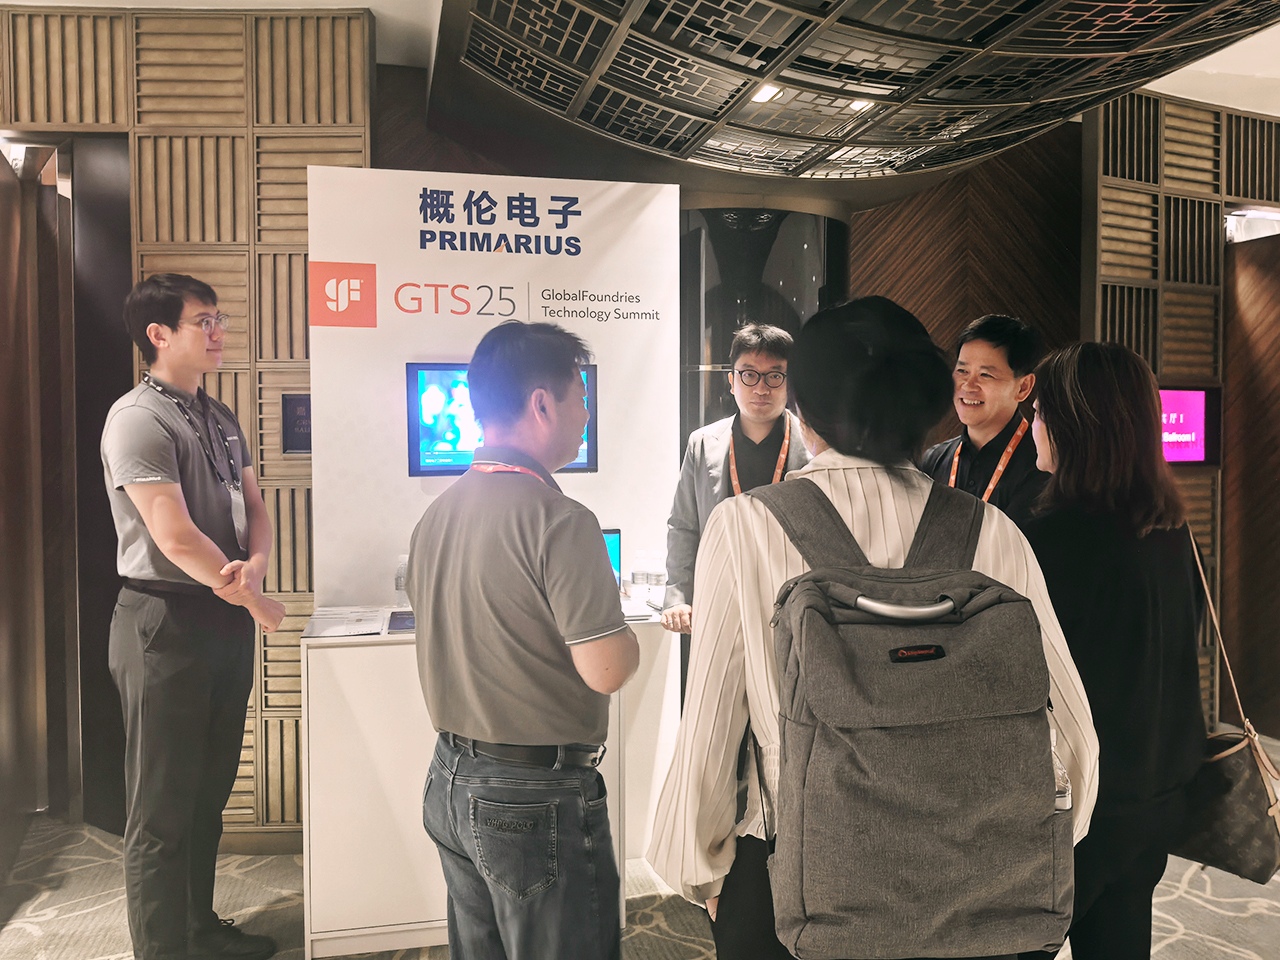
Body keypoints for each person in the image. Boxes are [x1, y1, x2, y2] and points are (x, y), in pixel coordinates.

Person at [647, 296, 1099, 960]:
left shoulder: (745, 525)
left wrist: (701, 872)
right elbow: (1072, 735)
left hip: (799, 883)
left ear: (803, 407)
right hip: (971, 887)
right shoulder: (992, 530)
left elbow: (713, 721)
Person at [407, 320, 640, 959]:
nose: (586, 414)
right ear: (542, 403)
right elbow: (607, 669)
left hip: (450, 777)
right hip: (533, 798)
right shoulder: (561, 521)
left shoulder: (436, 514)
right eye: (581, 396)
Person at [101, 274, 285, 960]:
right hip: (163, 623)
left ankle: (198, 930)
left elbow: (254, 504)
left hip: (222, 617)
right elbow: (173, 537)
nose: (218, 333)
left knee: (207, 792)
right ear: (159, 334)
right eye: (203, 321)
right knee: (160, 808)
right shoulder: (137, 418)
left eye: (218, 320)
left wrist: (256, 564)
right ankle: (162, 950)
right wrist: (255, 599)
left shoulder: (218, 414)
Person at [1019, 343, 1207, 960]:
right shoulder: (1170, 527)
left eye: (1039, 412)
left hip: (1081, 800)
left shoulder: (1050, 539)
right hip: (1158, 787)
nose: (1032, 425)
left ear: (1076, 425)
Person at [660, 323, 810, 636]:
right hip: (721, 594)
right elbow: (684, 526)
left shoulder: (813, 447)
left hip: (792, 599)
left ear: (791, 382)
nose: (761, 388)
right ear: (731, 381)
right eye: (749, 374)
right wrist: (678, 596)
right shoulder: (703, 443)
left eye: (775, 376)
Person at [921, 314, 1048, 526]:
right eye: (962, 371)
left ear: (1023, 387)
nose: (968, 385)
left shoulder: (1042, 464)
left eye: (985, 375)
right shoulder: (933, 461)